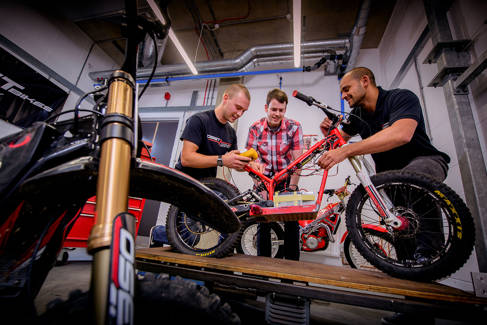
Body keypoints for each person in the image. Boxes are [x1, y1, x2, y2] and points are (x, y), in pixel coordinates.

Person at [317, 67, 449, 325]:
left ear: (365, 81)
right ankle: (415, 314)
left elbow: (402, 134)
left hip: (425, 162)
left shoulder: (400, 98)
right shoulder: (358, 115)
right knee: (403, 240)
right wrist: (329, 134)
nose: (343, 95)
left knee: (413, 182)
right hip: (390, 180)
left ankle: (431, 252)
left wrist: (349, 150)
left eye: (346, 89)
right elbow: (338, 142)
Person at [246, 88, 304, 260]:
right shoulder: (255, 129)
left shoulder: (294, 127)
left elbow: (297, 162)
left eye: (281, 110)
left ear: (285, 110)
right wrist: (260, 187)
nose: (277, 114)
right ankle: (263, 271)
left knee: (292, 224)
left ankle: (291, 272)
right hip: (263, 181)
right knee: (263, 224)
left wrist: (292, 187)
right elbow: (250, 163)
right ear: (266, 108)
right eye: (273, 109)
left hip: (286, 181)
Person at [175, 84, 252, 178]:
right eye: (238, 107)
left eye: (243, 111)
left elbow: (235, 163)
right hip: (182, 182)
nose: (240, 114)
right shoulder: (199, 120)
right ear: (225, 98)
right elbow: (186, 159)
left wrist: (250, 165)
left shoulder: (231, 133)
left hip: (207, 186)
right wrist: (222, 160)